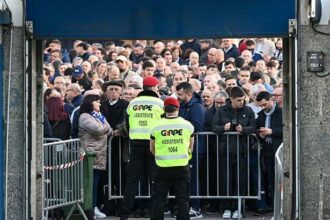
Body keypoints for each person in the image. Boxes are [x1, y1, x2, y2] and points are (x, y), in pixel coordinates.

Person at [120, 76, 164, 220]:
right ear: (153, 88)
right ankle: (155, 213)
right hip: (153, 145)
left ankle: (124, 214)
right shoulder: (159, 103)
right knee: (155, 180)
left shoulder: (132, 103)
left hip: (136, 144)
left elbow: (127, 124)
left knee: (132, 181)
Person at [212, 86, 256, 219]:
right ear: (231, 99)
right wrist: (222, 128)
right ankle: (226, 207)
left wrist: (243, 129)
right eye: (238, 100)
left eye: (242, 100)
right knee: (225, 181)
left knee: (240, 182)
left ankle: (238, 208)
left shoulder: (248, 111)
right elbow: (213, 127)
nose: (241, 102)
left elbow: (253, 126)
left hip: (242, 152)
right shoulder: (221, 110)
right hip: (225, 151)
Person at [150, 97, 194, 220]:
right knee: (182, 199)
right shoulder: (187, 125)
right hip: (181, 166)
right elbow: (191, 146)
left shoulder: (156, 126)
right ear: (178, 109)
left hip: (162, 166)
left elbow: (152, 148)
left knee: (159, 198)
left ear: (164, 109)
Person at [78, 93, 112, 219]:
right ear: (91, 103)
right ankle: (90, 208)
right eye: (97, 102)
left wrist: (104, 127)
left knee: (95, 183)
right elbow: (98, 130)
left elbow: (109, 129)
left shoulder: (99, 116)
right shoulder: (85, 117)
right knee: (90, 184)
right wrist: (104, 127)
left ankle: (94, 207)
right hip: (90, 155)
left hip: (99, 155)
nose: (100, 103)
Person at [176, 82, 205, 218]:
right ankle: (185, 206)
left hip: (195, 148)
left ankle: (195, 207)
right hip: (183, 148)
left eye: (180, 94)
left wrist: (179, 126)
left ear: (189, 94)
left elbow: (197, 126)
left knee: (193, 178)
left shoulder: (196, 107)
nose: (178, 97)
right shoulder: (183, 106)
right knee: (184, 179)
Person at [256, 91, 283, 211]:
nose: (263, 107)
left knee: (279, 177)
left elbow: (287, 129)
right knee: (269, 177)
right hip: (266, 150)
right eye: (261, 105)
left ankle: (279, 204)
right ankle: (271, 204)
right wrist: (260, 135)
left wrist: (272, 131)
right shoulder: (261, 114)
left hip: (278, 149)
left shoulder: (281, 112)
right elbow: (256, 128)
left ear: (271, 100)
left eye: (265, 104)